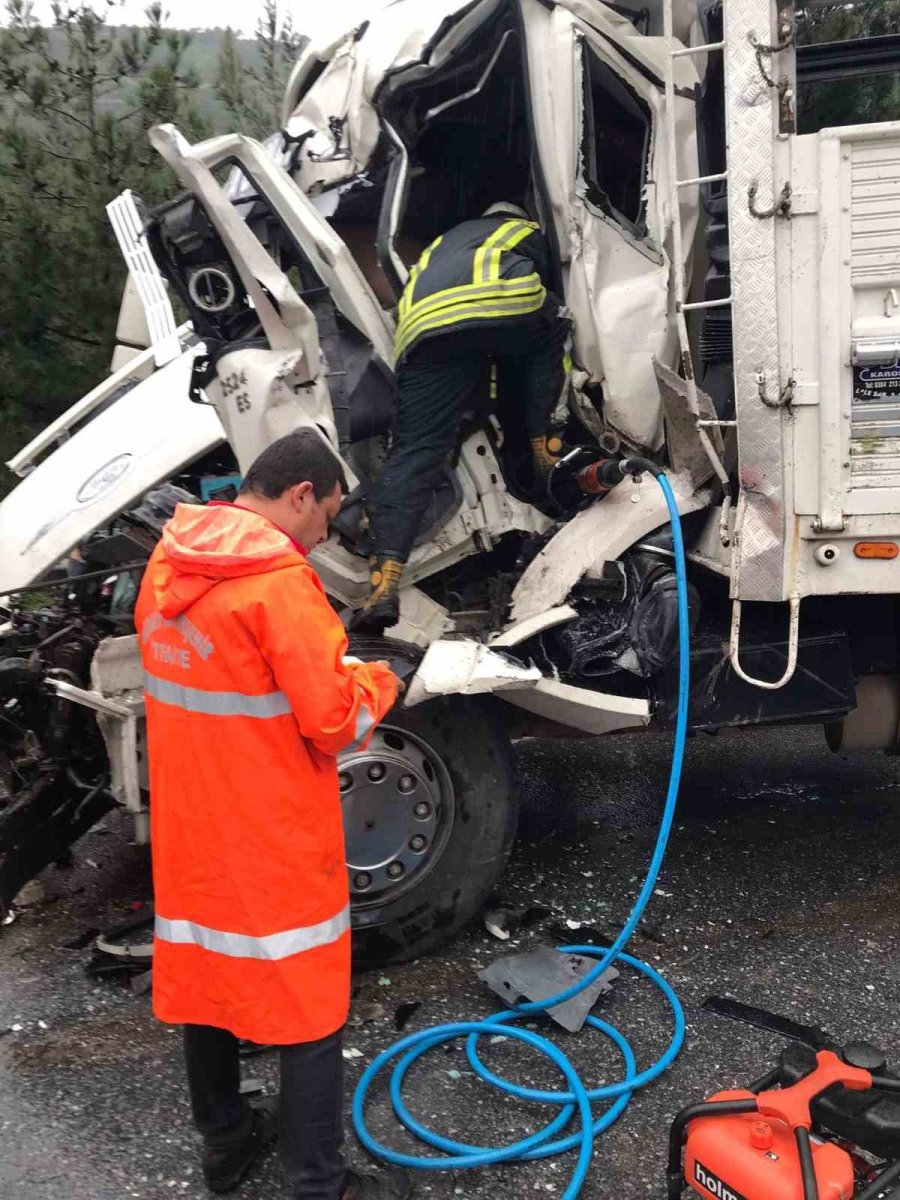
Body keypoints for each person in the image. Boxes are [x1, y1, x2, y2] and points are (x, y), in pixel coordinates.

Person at [135, 429, 410, 1200]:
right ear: (299, 496)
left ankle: (225, 1144)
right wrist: (384, 680)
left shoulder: (170, 562)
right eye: (327, 513)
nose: (327, 532)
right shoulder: (279, 586)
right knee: (309, 1001)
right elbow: (332, 721)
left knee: (207, 978)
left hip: (193, 826)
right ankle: (319, 1184)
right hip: (271, 829)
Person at [353, 201, 572, 633]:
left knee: (414, 452)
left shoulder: (439, 249)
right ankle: (546, 450)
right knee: (552, 329)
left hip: (421, 330)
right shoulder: (523, 229)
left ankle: (382, 583)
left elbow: (466, 345)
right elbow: (548, 296)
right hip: (502, 302)